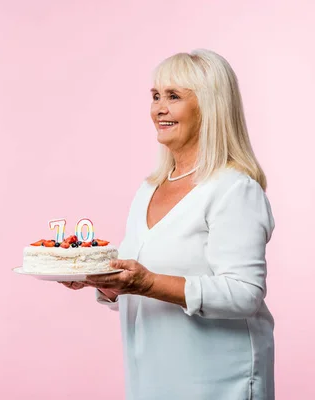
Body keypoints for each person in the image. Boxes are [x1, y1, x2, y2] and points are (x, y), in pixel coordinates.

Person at [60, 49, 275, 399]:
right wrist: (109, 284)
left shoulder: (234, 190)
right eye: (156, 96)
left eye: (173, 96)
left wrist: (147, 282)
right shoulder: (148, 189)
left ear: (210, 106)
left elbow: (244, 293)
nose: (159, 108)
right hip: (153, 378)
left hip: (219, 381)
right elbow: (142, 280)